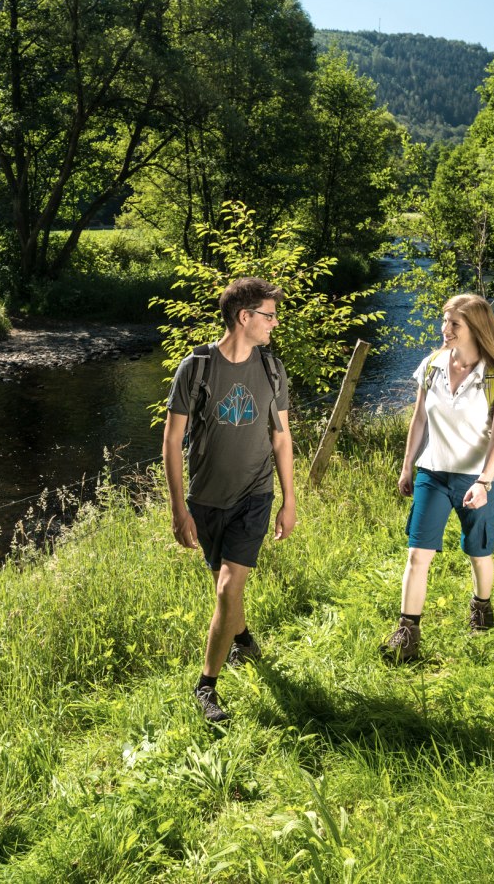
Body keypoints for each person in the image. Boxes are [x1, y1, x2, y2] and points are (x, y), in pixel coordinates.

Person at [163, 277, 295, 723]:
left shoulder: (272, 369)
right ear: (245, 317)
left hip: (254, 496)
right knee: (225, 594)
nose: (274, 323)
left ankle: (206, 687)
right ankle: (243, 641)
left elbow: (281, 438)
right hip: (205, 501)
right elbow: (172, 438)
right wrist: (179, 509)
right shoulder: (196, 368)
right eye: (269, 315)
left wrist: (289, 501)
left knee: (226, 588)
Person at [384, 293, 494, 662]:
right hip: (432, 474)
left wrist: (484, 482)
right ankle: (407, 632)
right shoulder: (431, 365)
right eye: (444, 321)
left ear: (474, 328)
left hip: (476, 480)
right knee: (417, 554)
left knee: (479, 553)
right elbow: (418, 419)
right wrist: (407, 465)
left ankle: (481, 607)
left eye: (453, 324)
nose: (444, 329)